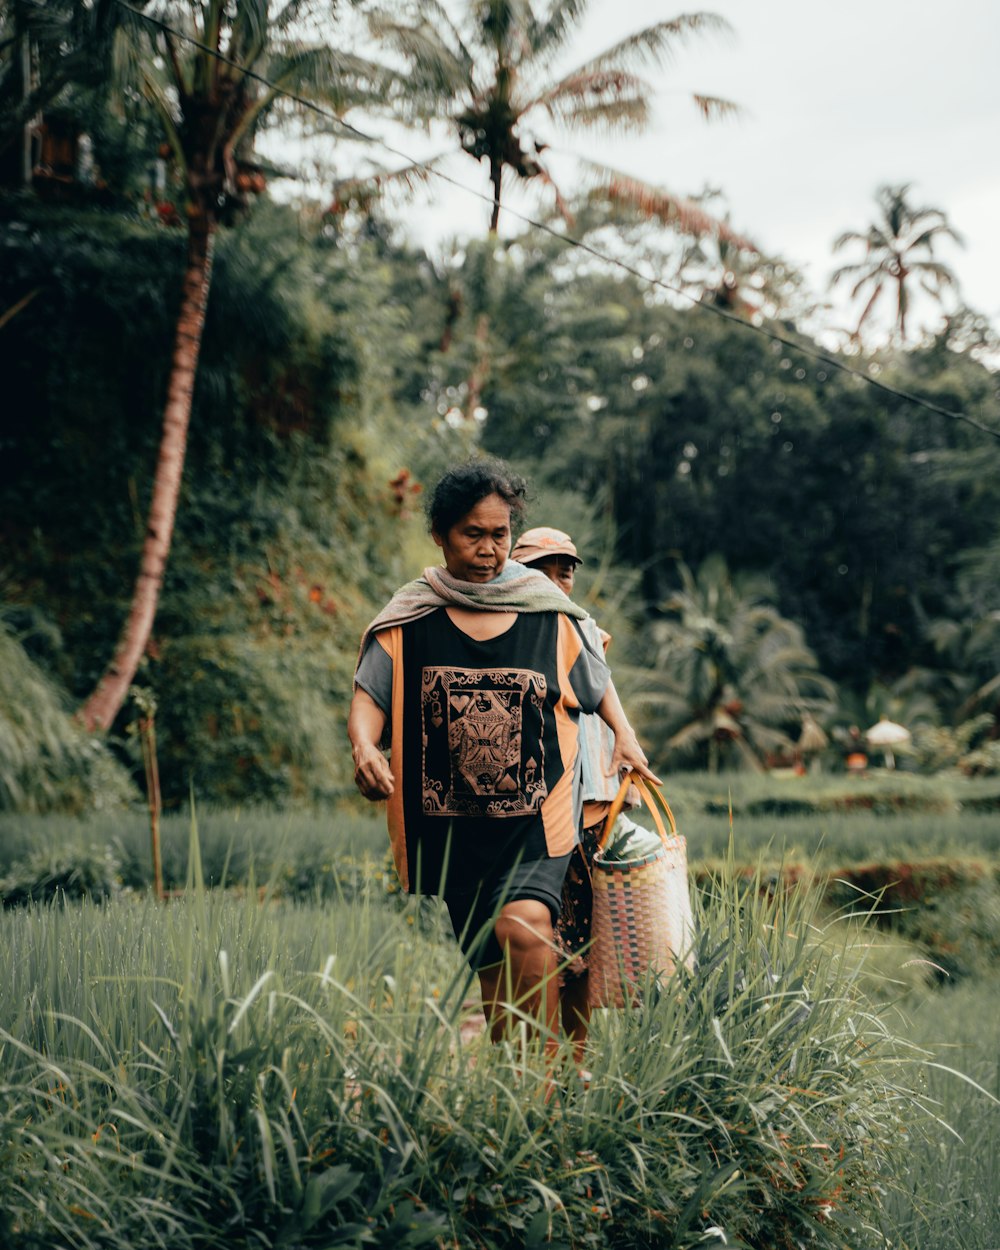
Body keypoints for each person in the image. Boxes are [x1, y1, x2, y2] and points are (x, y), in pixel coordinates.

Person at [348, 460, 658, 1052]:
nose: (490, 549)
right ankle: (515, 1095)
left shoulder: (548, 613)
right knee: (493, 971)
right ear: (439, 534)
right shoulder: (411, 616)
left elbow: (595, 682)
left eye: (500, 534)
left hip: (536, 824)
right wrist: (364, 745)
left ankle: (542, 1094)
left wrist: (624, 734)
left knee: (526, 926)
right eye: (473, 534)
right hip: (452, 832)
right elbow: (370, 699)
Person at [509, 526, 634, 1056]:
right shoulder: (506, 634)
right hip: (520, 821)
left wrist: (616, 792)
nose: (558, 582)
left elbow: (607, 724)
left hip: (582, 817)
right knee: (528, 946)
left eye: (566, 572)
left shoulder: (582, 633)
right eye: (545, 570)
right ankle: (531, 1065)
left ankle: (575, 1067)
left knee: (581, 947)